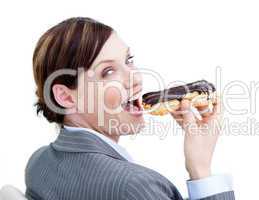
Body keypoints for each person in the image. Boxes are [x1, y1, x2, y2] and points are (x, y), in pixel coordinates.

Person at [26, 17, 234, 200]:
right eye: (108, 72)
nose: (137, 78)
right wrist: (200, 169)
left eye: (128, 60)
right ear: (65, 96)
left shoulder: (38, 162)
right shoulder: (137, 187)